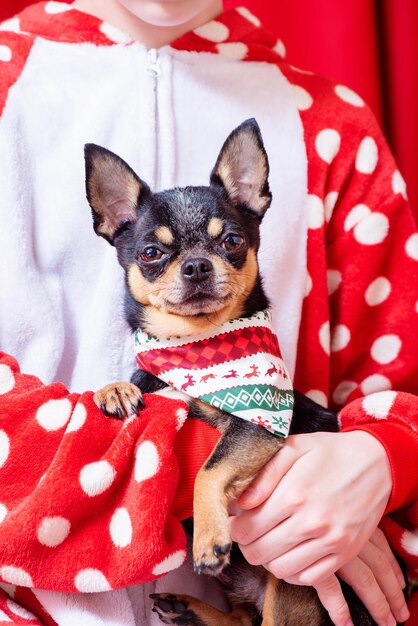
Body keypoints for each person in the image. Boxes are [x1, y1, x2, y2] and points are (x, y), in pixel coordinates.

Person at [0, 1, 417, 624]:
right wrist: (225, 467)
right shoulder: (14, 92)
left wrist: (386, 457)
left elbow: (402, 382)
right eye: (160, 259)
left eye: (224, 245)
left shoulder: (330, 124)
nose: (195, 270)